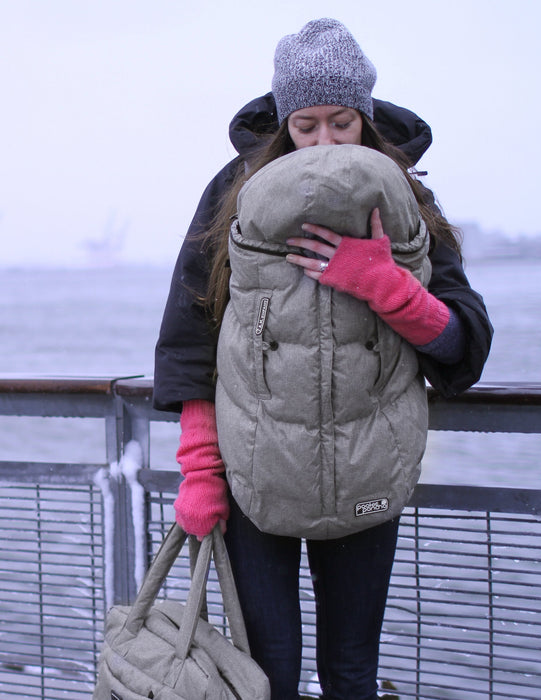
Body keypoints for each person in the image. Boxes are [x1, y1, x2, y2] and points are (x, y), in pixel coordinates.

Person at [154, 18, 493, 700]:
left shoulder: (403, 196)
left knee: (350, 675)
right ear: (284, 121)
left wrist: (389, 287)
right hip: (255, 474)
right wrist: (199, 471)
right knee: (267, 674)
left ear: (365, 117)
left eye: (341, 123)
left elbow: (463, 344)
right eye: (306, 126)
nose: (324, 143)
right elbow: (192, 332)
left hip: (368, 465)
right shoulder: (234, 189)